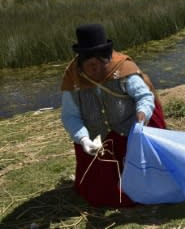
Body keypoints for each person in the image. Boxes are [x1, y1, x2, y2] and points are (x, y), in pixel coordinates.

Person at [60, 24, 166, 207]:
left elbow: (144, 96)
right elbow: (70, 115)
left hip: (128, 132)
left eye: (99, 64)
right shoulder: (73, 78)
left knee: (146, 181)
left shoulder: (123, 68)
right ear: (82, 61)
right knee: (100, 193)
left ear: (106, 58)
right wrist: (83, 139)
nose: (95, 70)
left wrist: (141, 117)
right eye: (90, 65)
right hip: (96, 140)